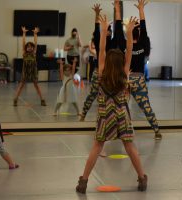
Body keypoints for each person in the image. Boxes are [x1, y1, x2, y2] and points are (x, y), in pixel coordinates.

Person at [76, 15, 147, 194]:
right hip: (122, 114)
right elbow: (129, 50)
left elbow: (101, 50)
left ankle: (83, 181)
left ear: (106, 61)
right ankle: (141, 178)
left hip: (104, 115)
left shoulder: (101, 73)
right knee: (130, 147)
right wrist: (129, 32)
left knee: (97, 147)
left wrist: (103, 30)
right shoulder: (124, 73)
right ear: (122, 62)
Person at [81, 0, 162, 140]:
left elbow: (118, 30)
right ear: (140, 35)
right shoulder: (144, 44)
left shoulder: (124, 45)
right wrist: (141, 10)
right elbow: (143, 28)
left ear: (130, 35)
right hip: (137, 79)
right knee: (145, 106)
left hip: (124, 78)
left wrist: (117, 9)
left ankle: (112, 128)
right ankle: (156, 130)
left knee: (119, 105)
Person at [14, 26, 46, 107]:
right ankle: (15, 99)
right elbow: (23, 42)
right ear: (26, 48)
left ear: (33, 48)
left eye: (31, 47)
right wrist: (24, 33)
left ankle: (42, 99)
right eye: (28, 47)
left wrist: (35, 34)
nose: (29, 48)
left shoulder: (34, 53)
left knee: (36, 86)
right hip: (25, 71)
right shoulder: (24, 53)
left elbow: (35, 42)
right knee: (21, 85)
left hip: (33, 71)